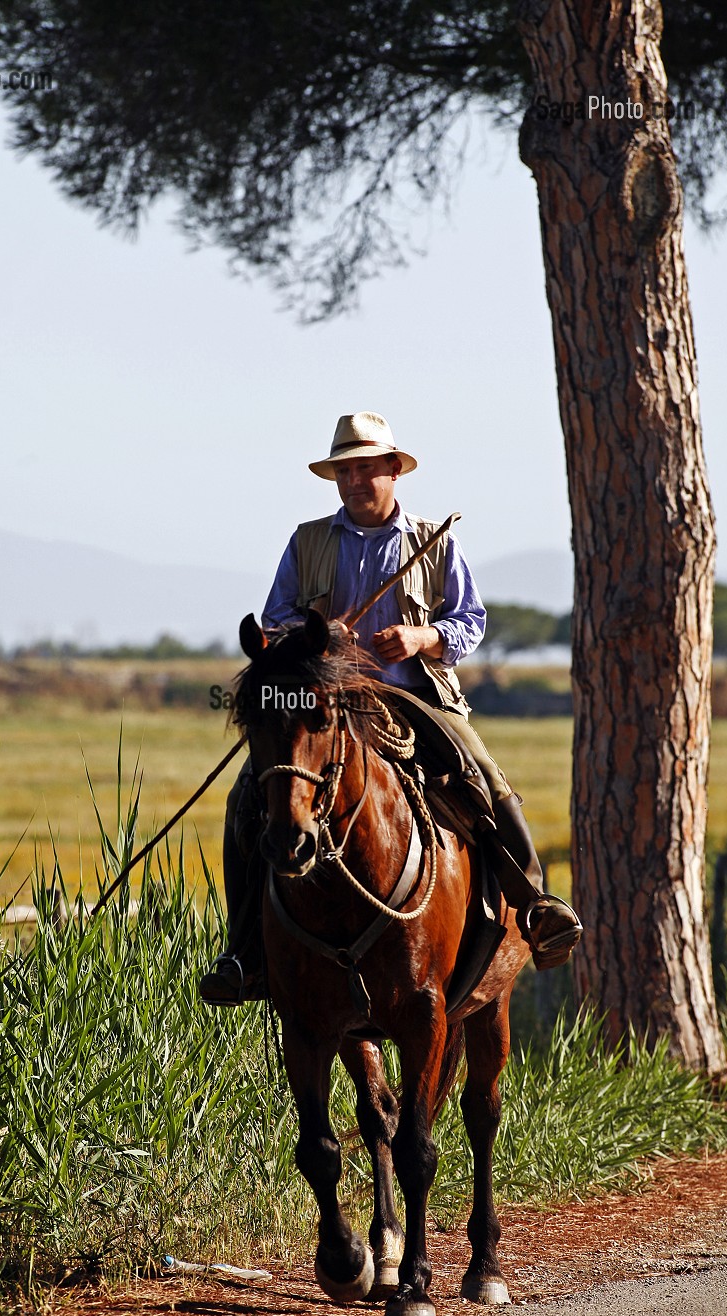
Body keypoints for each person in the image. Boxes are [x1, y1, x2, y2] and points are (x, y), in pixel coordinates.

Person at [199, 411, 582, 1006]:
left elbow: (471, 620)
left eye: (366, 469)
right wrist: (318, 639)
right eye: (344, 471)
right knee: (249, 794)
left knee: (480, 770)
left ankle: (535, 904)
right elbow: (274, 620)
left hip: (415, 696)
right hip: (325, 700)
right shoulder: (307, 542)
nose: (354, 481)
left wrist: (421, 639)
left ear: (393, 471)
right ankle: (245, 950)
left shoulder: (434, 540)